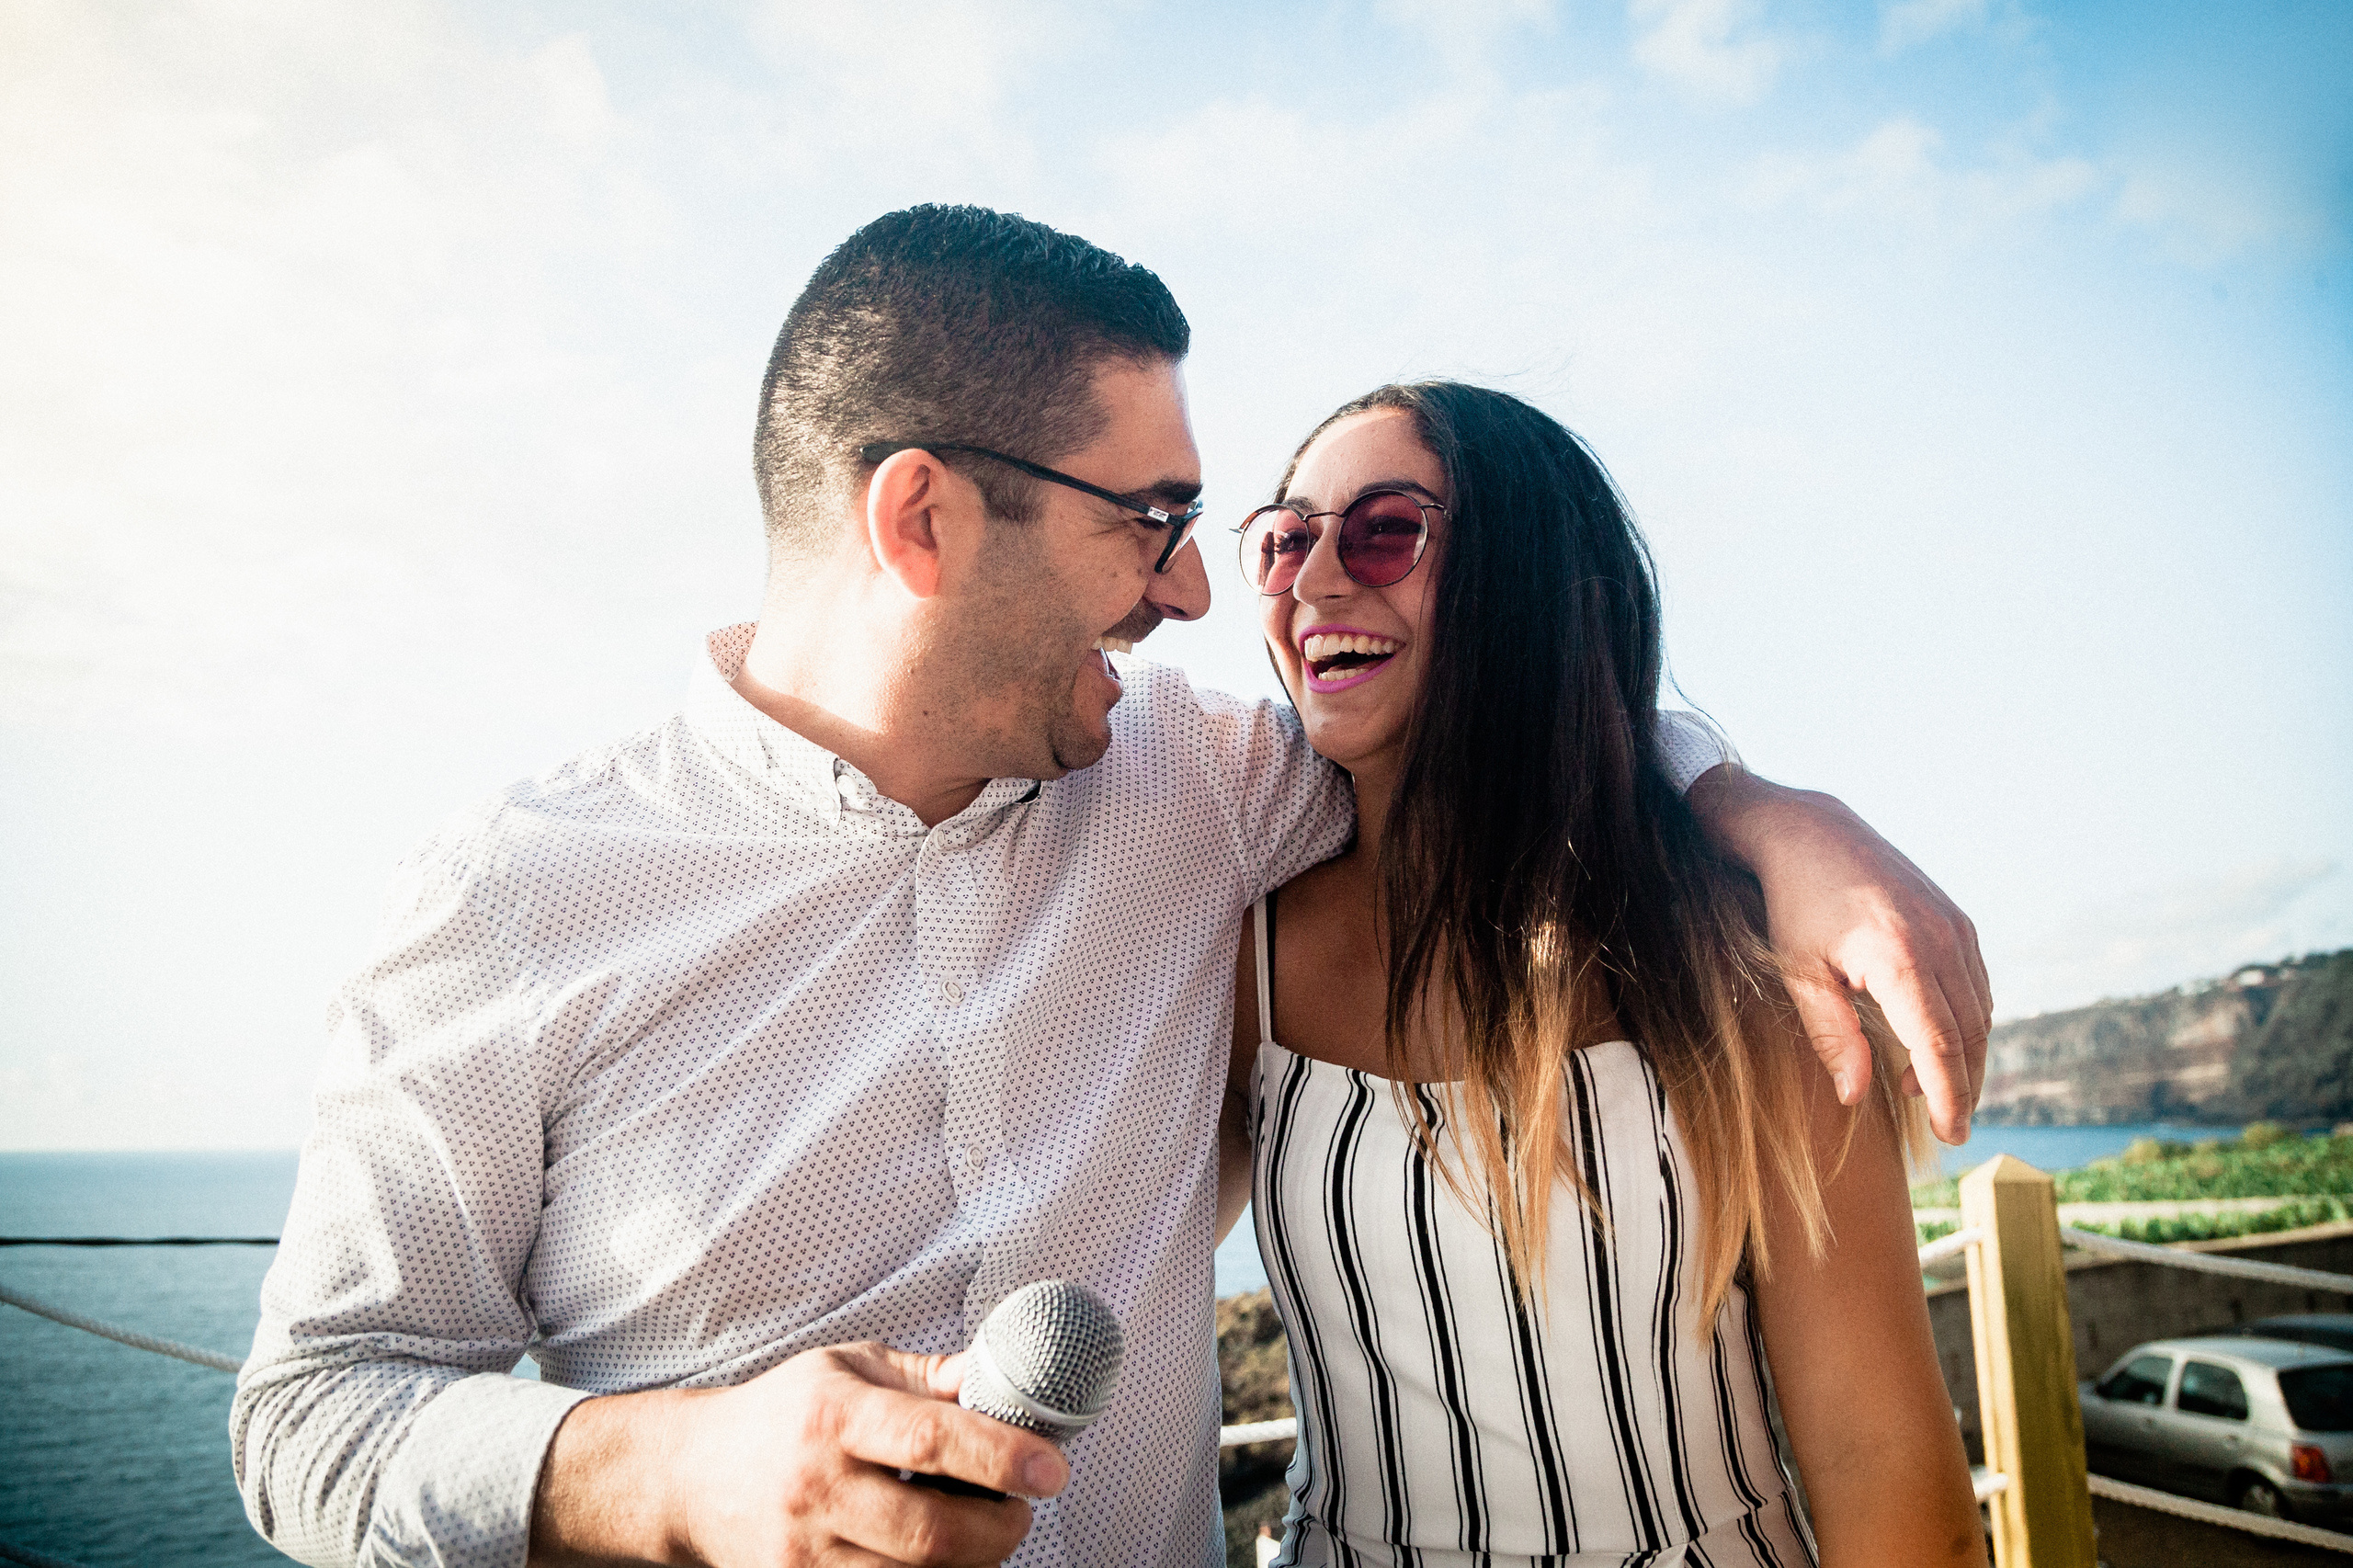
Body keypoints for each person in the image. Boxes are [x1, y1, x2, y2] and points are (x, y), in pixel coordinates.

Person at [231, 207, 1990, 1568]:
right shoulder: (511, 898)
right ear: (920, 520)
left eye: (1250, 529)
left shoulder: (1200, 789)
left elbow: (1515, 714)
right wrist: (667, 1471)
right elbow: (313, 1415)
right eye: (1164, 521)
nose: (1210, 597)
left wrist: (1764, 807)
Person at [1221, 382, 1985, 1566]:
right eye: (1286, 540)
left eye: (1384, 530)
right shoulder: (1242, 961)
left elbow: (1876, 1459)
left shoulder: (1738, 961)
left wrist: (1778, 814)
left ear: (1528, 579)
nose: (1317, 583)